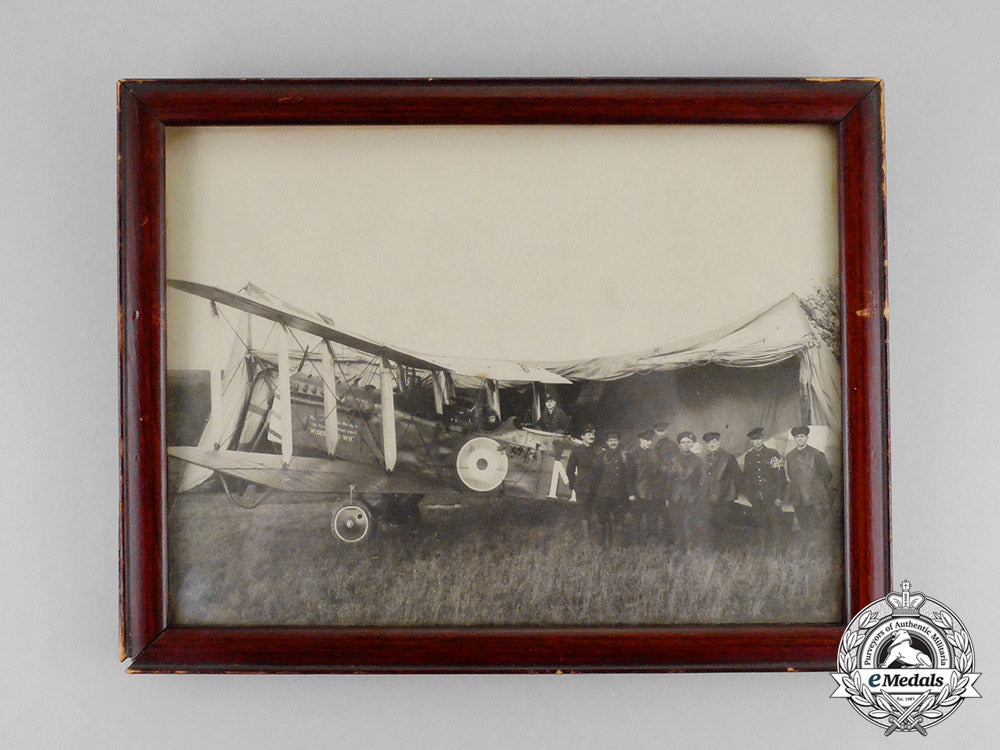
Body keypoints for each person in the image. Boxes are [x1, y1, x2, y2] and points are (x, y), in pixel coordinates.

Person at [784, 425, 834, 538]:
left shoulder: (817, 454)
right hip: (798, 498)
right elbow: (791, 476)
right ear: (794, 439)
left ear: (807, 437)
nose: (799, 439)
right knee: (803, 526)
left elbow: (827, 476)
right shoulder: (790, 456)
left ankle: (815, 553)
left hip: (814, 499)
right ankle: (805, 552)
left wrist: (816, 490)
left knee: (815, 527)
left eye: (802, 436)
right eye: (797, 437)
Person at [740, 427, 786, 544]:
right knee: (760, 523)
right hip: (756, 497)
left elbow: (780, 476)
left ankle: (777, 550)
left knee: (775, 522)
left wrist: (779, 497)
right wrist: (750, 495)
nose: (757, 442)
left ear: (763, 439)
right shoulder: (748, 456)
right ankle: (763, 548)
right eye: (754, 439)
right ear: (751, 441)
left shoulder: (773, 453)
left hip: (771, 496)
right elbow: (746, 477)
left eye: (759, 439)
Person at [589, 431, 634, 547]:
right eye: (610, 441)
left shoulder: (624, 456)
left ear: (618, 442)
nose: (613, 443)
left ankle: (618, 544)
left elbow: (628, 476)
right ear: (607, 442)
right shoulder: (600, 456)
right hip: (603, 493)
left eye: (615, 440)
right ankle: (603, 543)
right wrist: (594, 493)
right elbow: (595, 476)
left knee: (619, 518)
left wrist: (631, 492)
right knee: (603, 519)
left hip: (619, 493)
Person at [700, 431, 741, 547]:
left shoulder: (728, 457)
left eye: (713, 441)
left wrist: (731, 494)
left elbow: (738, 478)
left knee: (723, 524)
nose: (711, 444)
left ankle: (724, 550)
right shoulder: (704, 457)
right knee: (710, 523)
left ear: (719, 442)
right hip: (708, 498)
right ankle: (711, 548)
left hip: (724, 498)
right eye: (708, 442)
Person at [666, 431, 703, 549]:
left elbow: (701, 481)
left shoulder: (698, 460)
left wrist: (696, 495)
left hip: (691, 496)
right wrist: (667, 497)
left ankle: (690, 546)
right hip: (676, 496)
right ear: (679, 445)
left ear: (692, 444)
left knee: (690, 522)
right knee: (676, 521)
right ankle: (679, 545)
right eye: (683, 442)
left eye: (688, 442)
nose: (686, 444)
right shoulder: (673, 460)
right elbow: (668, 480)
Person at [630, 430, 662, 541]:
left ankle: (650, 541)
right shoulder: (633, 454)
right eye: (647, 440)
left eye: (650, 440)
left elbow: (658, 473)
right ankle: (636, 542)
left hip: (652, 492)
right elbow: (629, 476)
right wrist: (631, 493)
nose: (649, 442)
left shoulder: (654, 453)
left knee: (652, 518)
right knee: (637, 518)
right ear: (640, 440)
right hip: (638, 492)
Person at [566, 424, 598, 513]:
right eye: (589, 434)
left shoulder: (598, 451)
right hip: (581, 486)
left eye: (593, 434)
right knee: (584, 512)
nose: (592, 436)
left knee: (594, 512)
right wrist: (574, 485)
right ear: (582, 436)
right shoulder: (576, 451)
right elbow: (570, 470)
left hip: (595, 486)